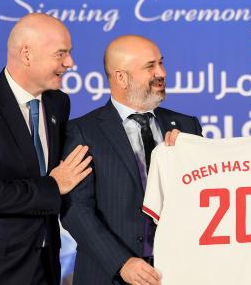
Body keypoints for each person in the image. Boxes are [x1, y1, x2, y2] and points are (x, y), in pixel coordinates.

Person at [0, 13, 92, 285]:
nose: (70, 63)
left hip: (43, 266)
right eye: (61, 54)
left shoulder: (58, 103)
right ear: (26, 54)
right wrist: (52, 186)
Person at [60, 34, 203, 285]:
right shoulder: (83, 131)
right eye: (150, 66)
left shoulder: (186, 126)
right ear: (121, 78)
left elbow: (205, 196)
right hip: (109, 275)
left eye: (161, 63)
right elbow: (75, 209)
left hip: (178, 273)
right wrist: (121, 262)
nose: (161, 72)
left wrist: (187, 156)